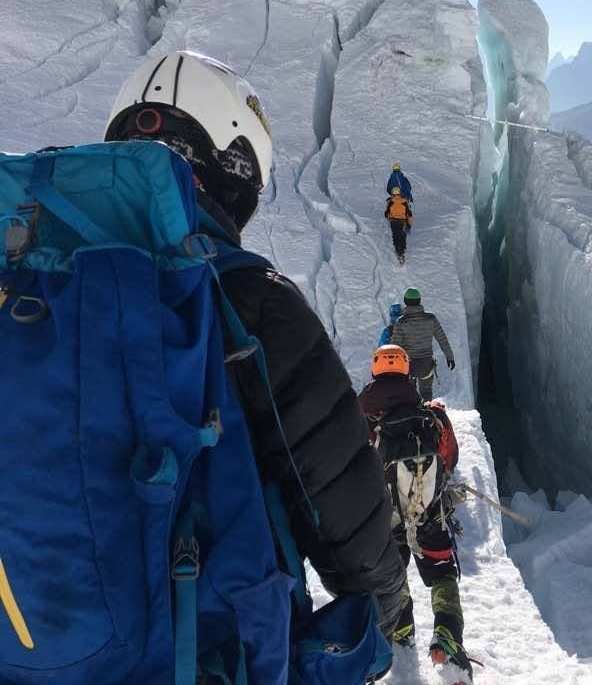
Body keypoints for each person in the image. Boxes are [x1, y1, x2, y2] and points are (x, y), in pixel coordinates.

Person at [104, 50, 408, 640]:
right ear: (234, 165)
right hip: (201, 643)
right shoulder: (252, 299)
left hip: (35, 639)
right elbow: (338, 490)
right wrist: (388, 613)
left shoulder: (35, 280)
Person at [359, 345, 471, 682]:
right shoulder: (431, 415)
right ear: (407, 371)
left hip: (385, 514)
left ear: (375, 371)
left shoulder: (361, 416)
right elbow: (449, 458)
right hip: (428, 511)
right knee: (442, 572)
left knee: (395, 573)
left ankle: (400, 629)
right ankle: (448, 635)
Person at [391, 287, 455, 402]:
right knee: (426, 393)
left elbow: (395, 347)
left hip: (408, 365)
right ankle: (428, 416)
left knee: (409, 394)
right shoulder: (431, 319)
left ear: (405, 301)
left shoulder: (401, 322)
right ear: (419, 300)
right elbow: (442, 339)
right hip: (426, 364)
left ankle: (413, 416)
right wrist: (449, 356)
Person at [384, 186, 413, 264]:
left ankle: (399, 253)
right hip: (403, 221)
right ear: (399, 193)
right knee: (402, 235)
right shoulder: (405, 201)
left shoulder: (390, 201)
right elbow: (409, 214)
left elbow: (386, 213)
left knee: (396, 236)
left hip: (394, 221)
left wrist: (388, 217)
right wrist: (409, 224)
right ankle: (403, 250)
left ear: (393, 193)